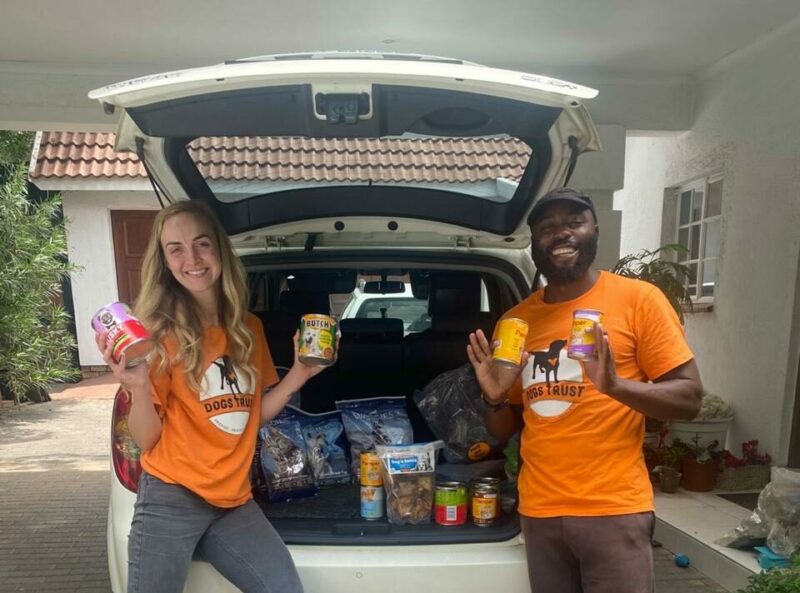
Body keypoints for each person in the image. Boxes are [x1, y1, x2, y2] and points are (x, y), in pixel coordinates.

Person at [467, 187, 703, 593]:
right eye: (548, 227)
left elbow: (690, 397)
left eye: (574, 222)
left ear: (595, 230)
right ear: (535, 242)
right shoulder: (516, 322)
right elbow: (504, 431)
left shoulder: (638, 300)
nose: (562, 233)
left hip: (612, 509)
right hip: (540, 512)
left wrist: (615, 385)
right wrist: (494, 396)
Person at [97, 200, 329, 593]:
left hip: (233, 502)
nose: (192, 259)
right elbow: (147, 440)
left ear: (219, 249)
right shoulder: (156, 334)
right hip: (171, 497)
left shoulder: (248, 328)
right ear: (165, 262)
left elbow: (250, 418)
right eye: (176, 249)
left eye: (201, 244)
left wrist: (299, 375)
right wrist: (138, 388)